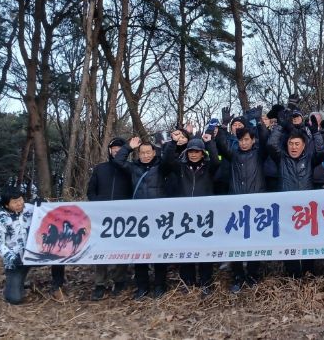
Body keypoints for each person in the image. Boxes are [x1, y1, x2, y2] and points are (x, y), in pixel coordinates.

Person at [112, 137, 172, 299]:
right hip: (139, 218)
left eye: (148, 152)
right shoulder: (133, 168)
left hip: (158, 216)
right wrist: (128, 147)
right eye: (142, 153)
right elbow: (118, 161)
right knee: (140, 253)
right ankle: (142, 287)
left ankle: (160, 285)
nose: (145, 155)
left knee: (159, 252)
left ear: (154, 153)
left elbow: (170, 160)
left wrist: (167, 144)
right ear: (138, 154)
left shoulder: (161, 167)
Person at [216, 123, 268, 292]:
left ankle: (252, 274)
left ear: (253, 140)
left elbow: (266, 139)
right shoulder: (234, 154)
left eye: (246, 140)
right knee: (236, 242)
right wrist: (223, 127)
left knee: (254, 241)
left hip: (256, 205)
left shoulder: (259, 154)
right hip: (236, 204)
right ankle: (237, 275)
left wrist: (259, 123)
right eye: (241, 140)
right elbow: (222, 145)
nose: (243, 143)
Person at [267, 125, 324, 277]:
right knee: (288, 242)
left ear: (304, 145)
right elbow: (271, 145)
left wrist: (316, 133)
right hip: (286, 209)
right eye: (291, 144)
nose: (294, 147)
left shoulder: (309, 159)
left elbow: (321, 152)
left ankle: (309, 272)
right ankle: (293, 275)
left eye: (297, 144)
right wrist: (280, 126)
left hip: (306, 210)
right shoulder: (281, 158)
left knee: (307, 240)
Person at [0, 186, 65, 304]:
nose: (20, 204)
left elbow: (51, 212)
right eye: (15, 202)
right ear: (6, 205)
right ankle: (16, 286)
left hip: (36, 252)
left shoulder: (30, 208)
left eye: (20, 200)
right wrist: (11, 257)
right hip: (17, 259)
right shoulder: (0, 220)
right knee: (15, 298)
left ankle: (57, 287)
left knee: (58, 253)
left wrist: (44, 203)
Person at [170, 135, 220, 296]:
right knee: (186, 250)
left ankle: (206, 282)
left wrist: (209, 142)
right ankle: (187, 282)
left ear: (202, 153)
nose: (193, 154)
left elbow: (216, 161)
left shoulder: (208, 168)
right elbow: (167, 162)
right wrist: (173, 143)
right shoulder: (180, 167)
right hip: (184, 216)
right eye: (190, 151)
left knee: (205, 250)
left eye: (197, 151)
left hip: (204, 217)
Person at [86, 137, 133, 300]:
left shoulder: (129, 168)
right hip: (102, 217)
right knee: (101, 249)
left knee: (122, 248)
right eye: (114, 148)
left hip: (123, 216)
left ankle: (119, 280)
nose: (117, 151)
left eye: (120, 148)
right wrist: (97, 204)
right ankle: (100, 283)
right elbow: (91, 191)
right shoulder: (100, 168)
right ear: (109, 150)